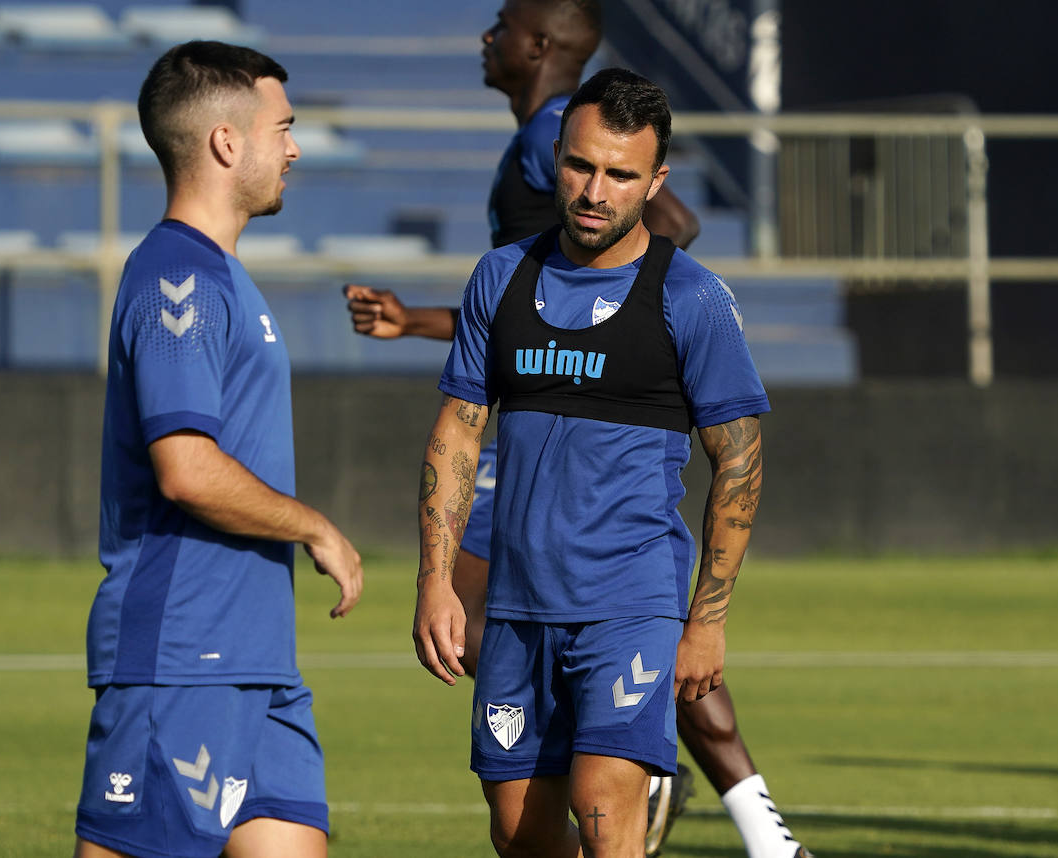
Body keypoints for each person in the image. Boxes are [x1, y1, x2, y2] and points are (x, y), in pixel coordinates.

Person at [348, 3, 810, 857]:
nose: (596, 192)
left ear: (657, 181)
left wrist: (704, 621)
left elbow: (739, 463)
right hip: (518, 606)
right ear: (557, 158)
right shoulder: (500, 278)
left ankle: (757, 831)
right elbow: (456, 433)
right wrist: (436, 581)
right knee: (522, 836)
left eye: (622, 177)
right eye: (580, 168)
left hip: (629, 603)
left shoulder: (692, 299)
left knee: (605, 812)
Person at [73, 41, 363, 858]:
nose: (295, 147)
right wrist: (314, 527)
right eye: (284, 127)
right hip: (184, 654)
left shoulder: (224, 277)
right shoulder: (181, 280)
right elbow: (185, 467)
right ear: (228, 143)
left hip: (257, 658)